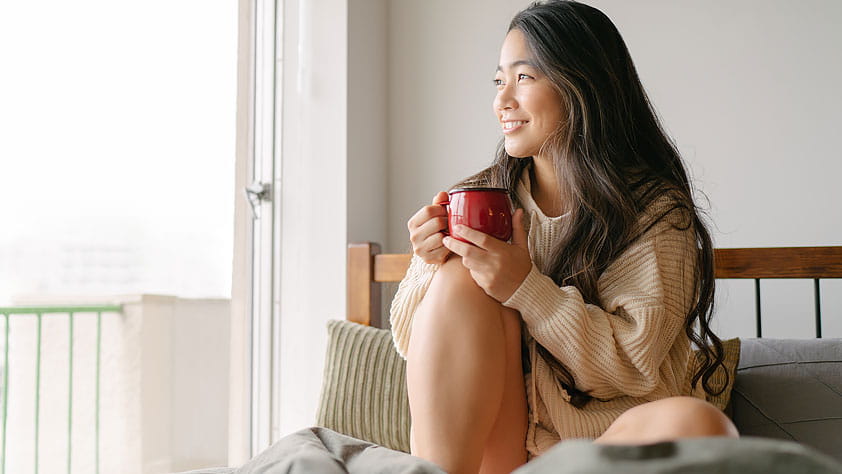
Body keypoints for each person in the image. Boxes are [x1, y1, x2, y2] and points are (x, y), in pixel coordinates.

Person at [389, 2, 739, 474]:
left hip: (603, 451)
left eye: (524, 78)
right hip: (504, 450)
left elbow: (633, 368)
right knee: (459, 280)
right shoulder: (486, 198)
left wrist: (526, 288)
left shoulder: (656, 212)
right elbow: (415, 344)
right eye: (499, 81)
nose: (502, 100)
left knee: (698, 424)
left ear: (583, 86)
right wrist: (428, 263)